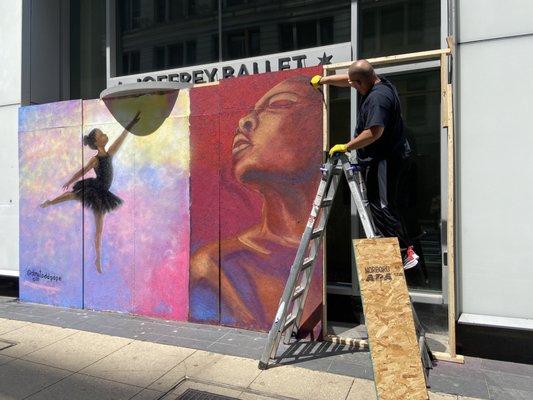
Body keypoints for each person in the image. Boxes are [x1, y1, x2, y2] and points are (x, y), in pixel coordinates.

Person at [190, 76, 323, 331]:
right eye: (248, 113)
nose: (244, 122)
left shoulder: (340, 250)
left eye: (279, 104)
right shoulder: (213, 266)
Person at [310, 60, 419, 269]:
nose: (353, 87)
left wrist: (347, 146)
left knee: (382, 205)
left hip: (385, 159)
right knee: (380, 203)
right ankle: (396, 245)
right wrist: (324, 80)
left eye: (355, 84)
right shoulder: (379, 82)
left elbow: (374, 132)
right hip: (385, 157)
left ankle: (405, 252)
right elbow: (349, 80)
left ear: (362, 81)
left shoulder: (377, 99)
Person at [40, 111, 141, 273]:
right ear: (96, 142)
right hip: (96, 190)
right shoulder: (96, 160)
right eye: (101, 134)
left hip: (103, 194)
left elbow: (122, 137)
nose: (104, 134)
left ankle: (97, 258)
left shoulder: (110, 153)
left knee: (99, 228)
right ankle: (50, 202)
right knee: (73, 195)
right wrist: (70, 181)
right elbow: (82, 171)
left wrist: (131, 123)